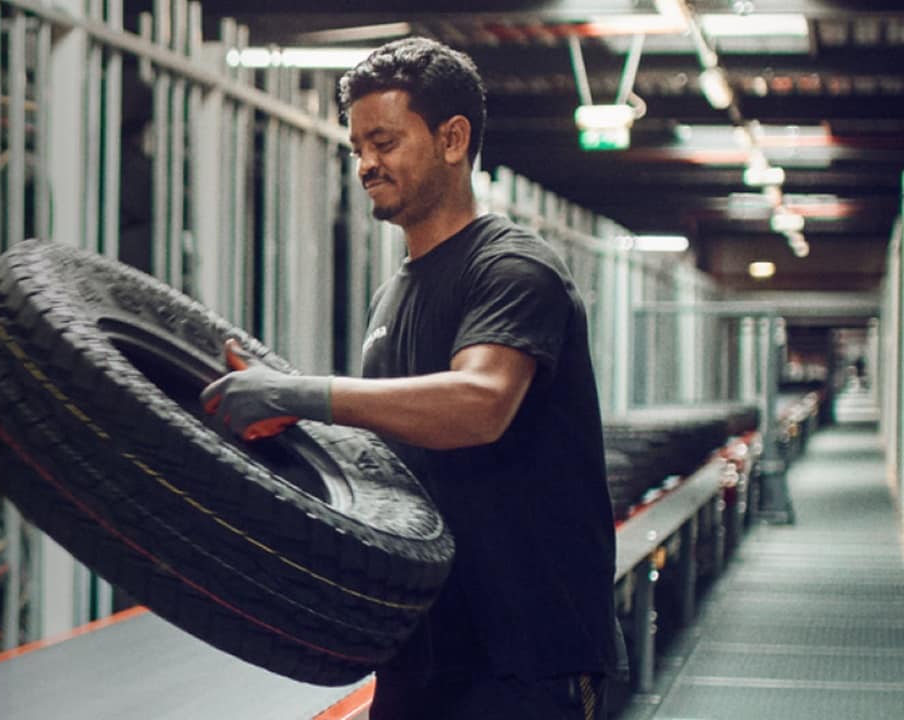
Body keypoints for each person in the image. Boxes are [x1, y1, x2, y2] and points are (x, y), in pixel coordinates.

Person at [200, 37, 621, 719]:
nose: (366, 163)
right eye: (358, 146)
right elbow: (392, 455)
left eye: (385, 141)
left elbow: (478, 405)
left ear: (453, 139)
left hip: (525, 659)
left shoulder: (513, 269)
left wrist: (301, 392)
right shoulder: (393, 295)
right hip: (423, 652)